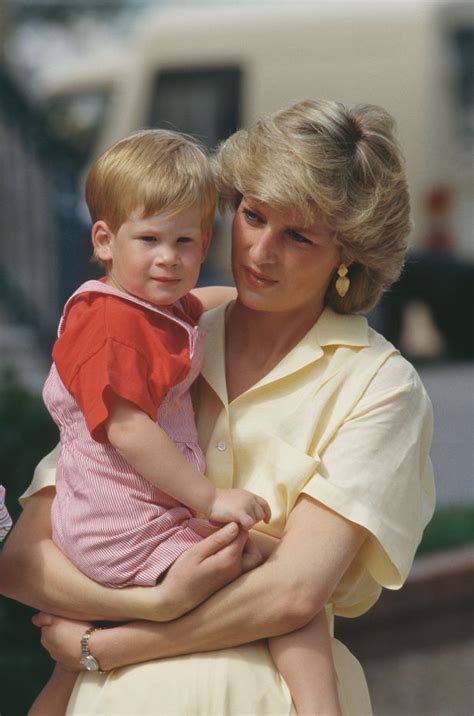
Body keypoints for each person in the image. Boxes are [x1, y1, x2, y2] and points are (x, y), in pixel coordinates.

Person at [0, 99, 435, 715]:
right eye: (253, 216)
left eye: (298, 236)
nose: (260, 251)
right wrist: (148, 603)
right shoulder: (157, 327)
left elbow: (292, 594)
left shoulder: (379, 386)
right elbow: (22, 561)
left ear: (349, 254)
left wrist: (112, 645)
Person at [24, 127, 342, 716]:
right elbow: (127, 428)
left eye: (185, 241)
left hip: (102, 522)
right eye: (149, 239)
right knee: (285, 579)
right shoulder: (109, 324)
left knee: (66, 670)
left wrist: (293, 307)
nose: (168, 258)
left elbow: (218, 302)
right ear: (104, 240)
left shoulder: (154, 307)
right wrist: (209, 498)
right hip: (126, 528)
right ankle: (323, 709)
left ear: (204, 245)